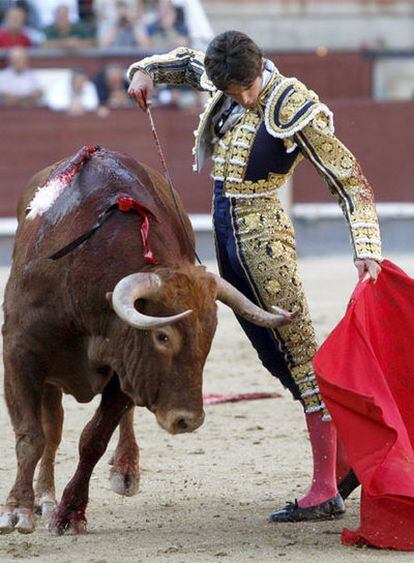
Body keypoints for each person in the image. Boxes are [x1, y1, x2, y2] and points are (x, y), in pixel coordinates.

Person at [127, 31, 382, 522]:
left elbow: (348, 179)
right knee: (274, 354)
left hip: (265, 240)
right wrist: (145, 71)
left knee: (299, 352)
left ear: (261, 65)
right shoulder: (223, 79)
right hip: (227, 236)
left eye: (247, 88)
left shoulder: (292, 103)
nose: (244, 98)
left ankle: (326, 485)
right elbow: (183, 63)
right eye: (234, 90)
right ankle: (343, 455)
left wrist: (367, 248)